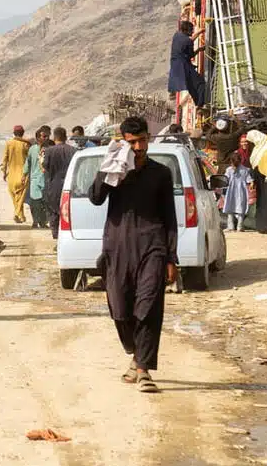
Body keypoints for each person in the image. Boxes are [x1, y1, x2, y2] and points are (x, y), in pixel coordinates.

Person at [88, 116, 178, 393]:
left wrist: (171, 257)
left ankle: (143, 370)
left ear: (148, 139)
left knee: (149, 306)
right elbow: (95, 197)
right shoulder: (116, 170)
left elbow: (170, 217)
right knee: (120, 309)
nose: (137, 148)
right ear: (123, 141)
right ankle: (135, 353)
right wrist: (110, 168)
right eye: (131, 143)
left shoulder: (161, 173)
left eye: (141, 141)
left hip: (152, 247)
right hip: (117, 247)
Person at [44, 127, 78, 241]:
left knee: (54, 212)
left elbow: (45, 167)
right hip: (70, 187)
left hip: (54, 187)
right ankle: (67, 237)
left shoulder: (49, 151)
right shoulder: (73, 151)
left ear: (54, 137)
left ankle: (56, 237)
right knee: (68, 213)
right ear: (66, 137)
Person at [168, 20, 209, 107]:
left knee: (191, 87)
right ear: (186, 31)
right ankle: (201, 105)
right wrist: (199, 50)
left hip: (175, 68)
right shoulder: (188, 41)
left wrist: (198, 33)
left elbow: (187, 41)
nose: (193, 31)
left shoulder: (177, 35)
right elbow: (190, 54)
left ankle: (199, 106)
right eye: (191, 30)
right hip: (184, 67)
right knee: (200, 83)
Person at [2, 125, 30, 224]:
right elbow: (29, 159)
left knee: (15, 196)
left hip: (11, 175)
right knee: (20, 196)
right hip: (23, 174)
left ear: (14, 133)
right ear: (22, 133)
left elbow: (5, 159)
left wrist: (4, 172)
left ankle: (20, 215)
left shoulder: (8, 143)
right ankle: (18, 214)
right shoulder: (26, 144)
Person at [24, 128, 48, 229]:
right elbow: (28, 162)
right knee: (34, 202)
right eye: (44, 136)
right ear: (38, 138)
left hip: (46, 179)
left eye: (47, 136)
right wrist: (24, 174)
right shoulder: (32, 149)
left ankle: (43, 222)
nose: (46, 138)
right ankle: (35, 221)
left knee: (44, 203)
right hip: (34, 179)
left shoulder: (49, 149)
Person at [223, 152, 253, 232]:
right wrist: (252, 183)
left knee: (230, 207)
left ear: (231, 162)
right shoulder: (245, 170)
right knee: (241, 208)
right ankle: (240, 227)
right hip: (241, 191)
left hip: (231, 191)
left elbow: (225, 180)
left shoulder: (229, 170)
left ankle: (231, 226)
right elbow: (249, 180)